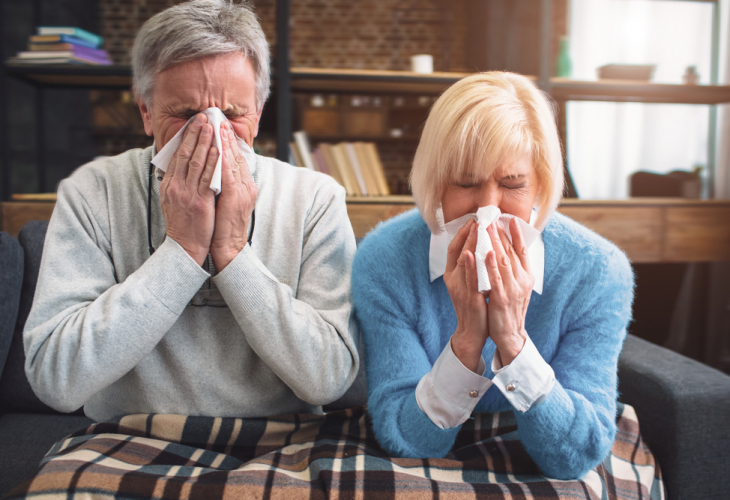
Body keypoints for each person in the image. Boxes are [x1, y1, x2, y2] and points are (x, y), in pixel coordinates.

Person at [23, 0, 359, 422]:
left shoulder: (315, 198)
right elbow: (55, 379)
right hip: (130, 437)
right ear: (146, 111)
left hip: (279, 440)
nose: (212, 133)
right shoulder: (93, 192)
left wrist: (234, 254)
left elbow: (328, 379)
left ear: (258, 114)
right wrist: (181, 250)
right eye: (185, 114)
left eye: (233, 115)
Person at [351, 72, 634, 480]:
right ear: (434, 184)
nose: (488, 209)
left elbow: (574, 457)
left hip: (535, 446)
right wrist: (467, 340)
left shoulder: (598, 271)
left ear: (540, 185)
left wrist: (514, 343)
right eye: (465, 183)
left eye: (512, 184)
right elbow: (407, 441)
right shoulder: (384, 260)